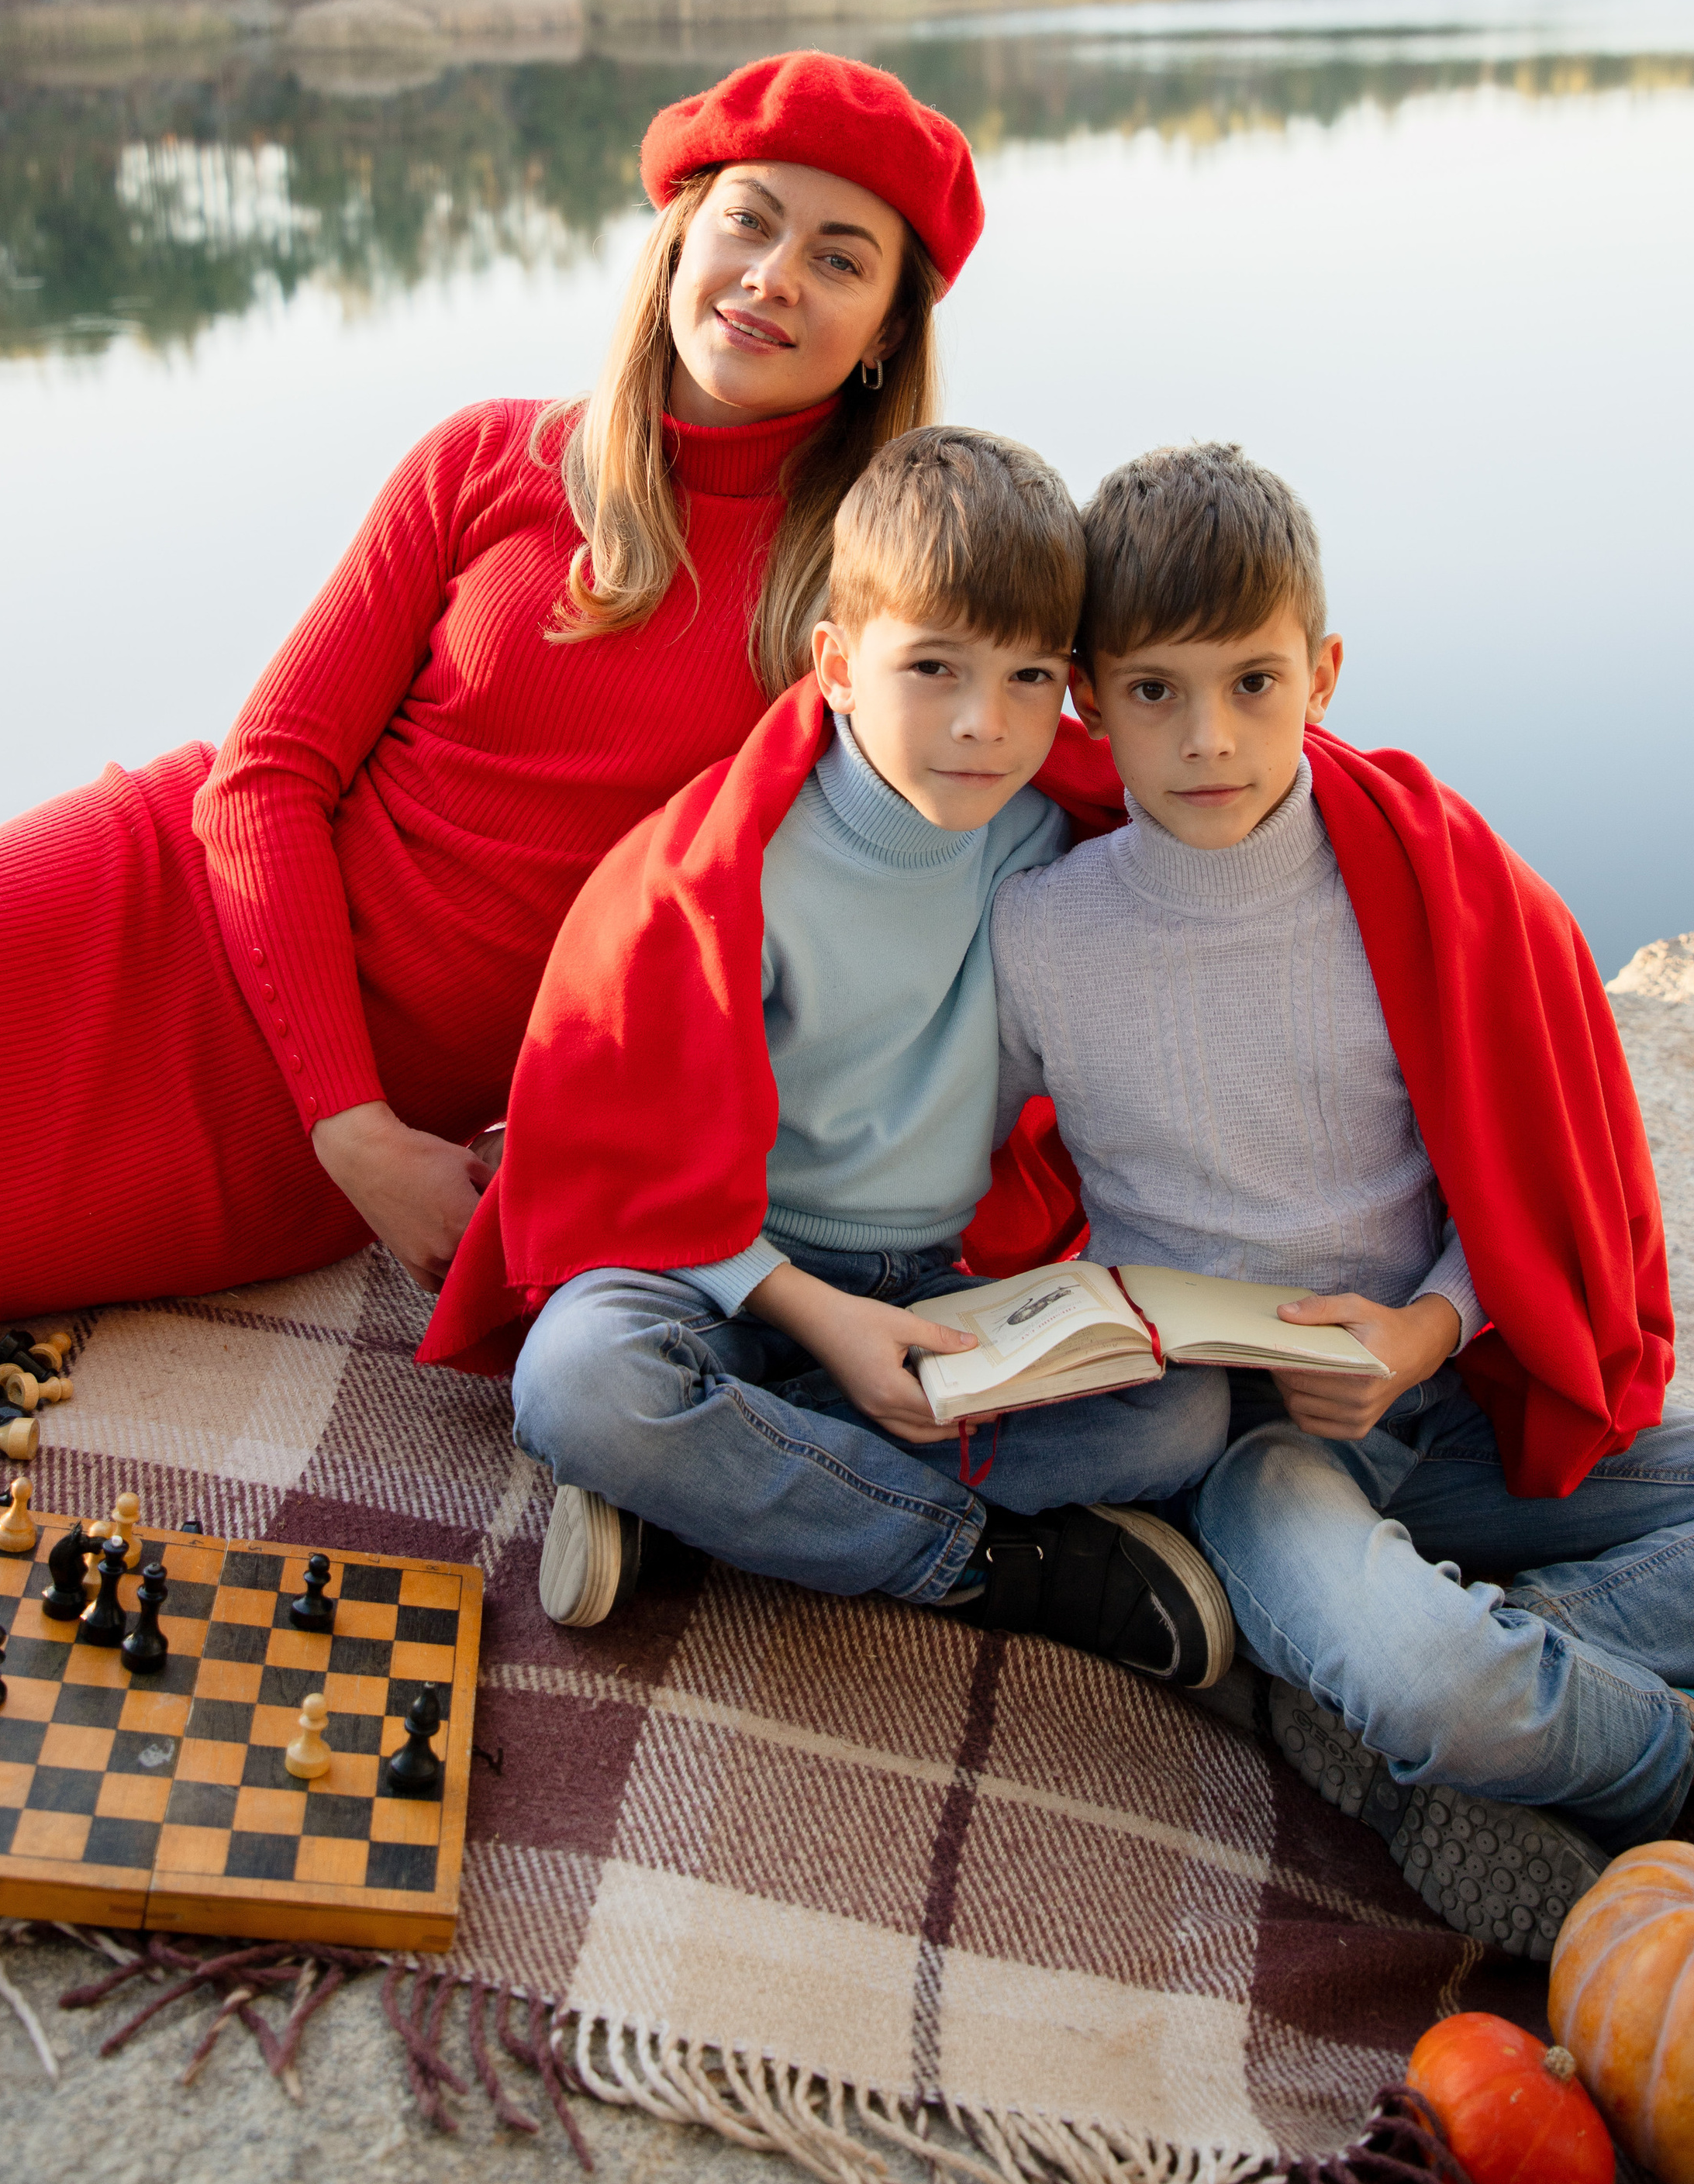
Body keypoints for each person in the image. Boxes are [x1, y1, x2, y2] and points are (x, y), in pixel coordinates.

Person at [0, 51, 985, 1327]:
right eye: (749, 219)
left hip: (297, 1139)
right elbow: (266, 778)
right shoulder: (488, 458)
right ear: (683, 235)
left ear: (886, 334)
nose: (774, 275)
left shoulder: (875, 598)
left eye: (841, 258)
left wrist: (1276, 752)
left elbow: (1039, 759)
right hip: (159, 903)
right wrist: (348, 1128)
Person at [987, 440, 1694, 1956]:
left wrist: (1424, 1325)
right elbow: (975, 1180)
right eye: (1154, 691)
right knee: (1442, 1691)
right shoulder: (1039, 932)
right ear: (1086, 696)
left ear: (1321, 671)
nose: (1206, 737)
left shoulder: (1421, 884)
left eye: (1251, 684)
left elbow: (1529, 1168)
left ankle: (1425, 1668)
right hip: (1253, 1452)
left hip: (1445, 1396)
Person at [417, 428, 1233, 1690]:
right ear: (839, 665)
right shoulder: (731, 869)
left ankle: (709, 1494)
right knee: (582, 1386)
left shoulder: (1053, 839)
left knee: (1180, 1413)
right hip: (718, 1267)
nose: (984, 723)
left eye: (1028, 677)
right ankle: (988, 1567)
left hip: (924, 1282)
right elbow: (624, 1153)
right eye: (933, 669)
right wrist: (812, 1315)